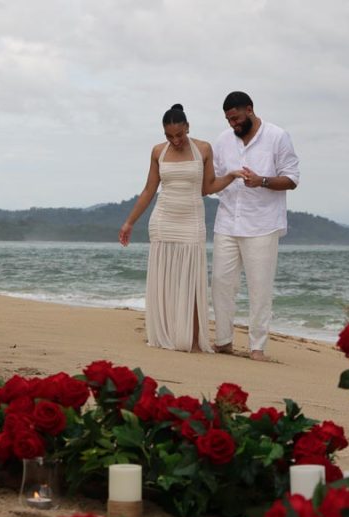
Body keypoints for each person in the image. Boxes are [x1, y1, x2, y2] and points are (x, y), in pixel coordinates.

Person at [119, 104, 238, 353]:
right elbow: (149, 190)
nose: (175, 140)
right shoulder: (158, 152)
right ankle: (166, 333)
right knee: (165, 281)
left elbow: (207, 188)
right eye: (169, 136)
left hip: (192, 221)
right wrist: (130, 222)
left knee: (192, 282)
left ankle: (193, 341)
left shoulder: (203, 149)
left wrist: (232, 176)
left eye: (179, 134)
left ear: (187, 128)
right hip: (163, 220)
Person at [210, 91, 300, 361]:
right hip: (227, 221)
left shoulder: (277, 136)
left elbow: (292, 179)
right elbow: (213, 181)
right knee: (221, 283)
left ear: (249, 110)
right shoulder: (223, 141)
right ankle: (224, 341)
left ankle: (257, 347)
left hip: (262, 223)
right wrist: (230, 177)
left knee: (260, 288)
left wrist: (261, 181)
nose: (232, 124)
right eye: (228, 120)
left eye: (236, 118)